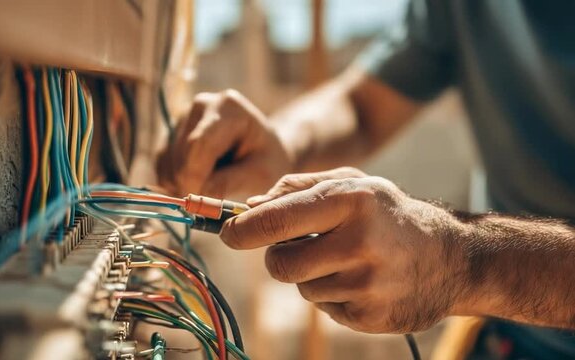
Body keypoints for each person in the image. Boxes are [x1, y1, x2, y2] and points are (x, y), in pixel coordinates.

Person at [158, 1, 575, 358]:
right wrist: (283, 141)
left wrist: (463, 263)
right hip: (505, 338)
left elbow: (464, 264)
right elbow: (363, 107)